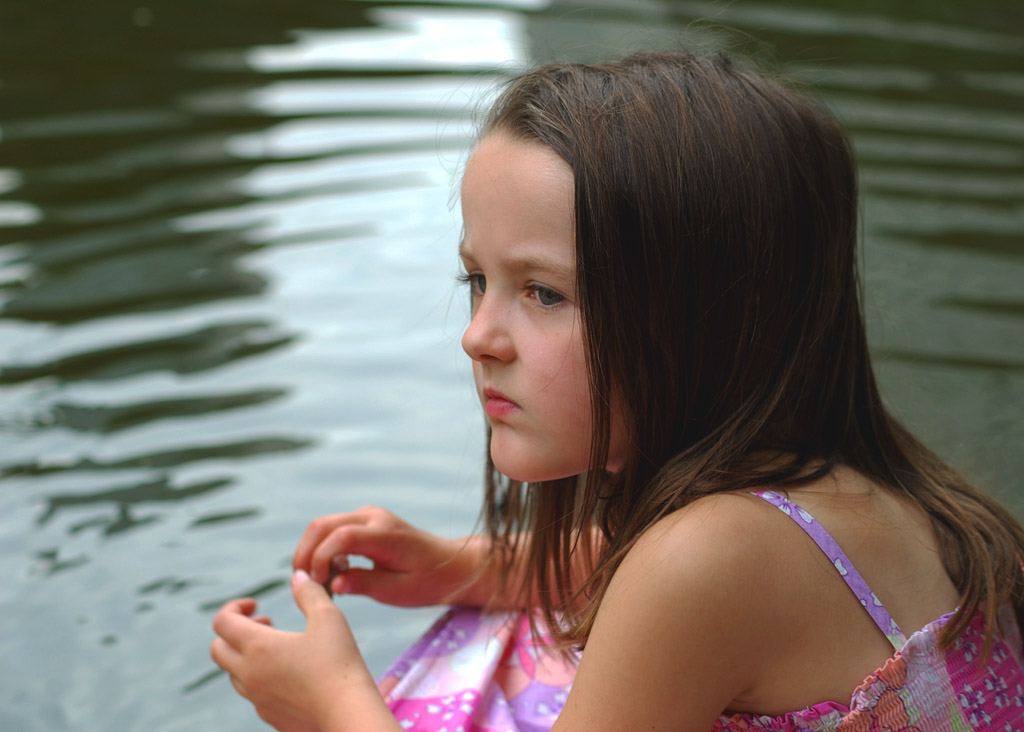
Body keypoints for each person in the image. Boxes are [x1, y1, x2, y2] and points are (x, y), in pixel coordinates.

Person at [210, 51, 1024, 732]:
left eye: (545, 294)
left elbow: (678, 586)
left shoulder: (706, 560)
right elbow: (646, 576)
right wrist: (462, 568)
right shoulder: (870, 491)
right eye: (477, 279)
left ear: (717, 315)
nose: (477, 337)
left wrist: (333, 706)